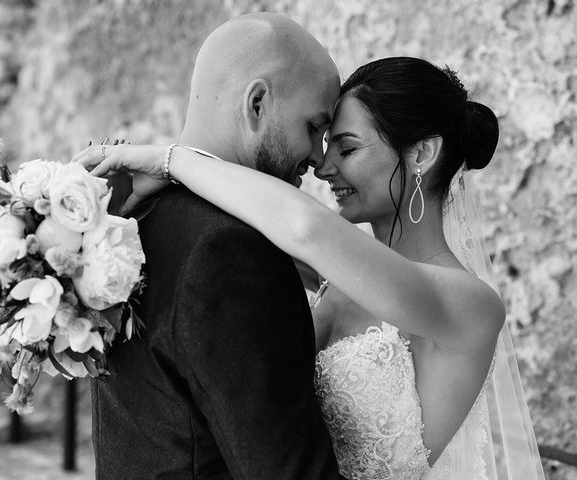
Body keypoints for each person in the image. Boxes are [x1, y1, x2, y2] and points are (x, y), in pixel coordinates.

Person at [75, 57, 546, 479]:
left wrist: (169, 158)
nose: (322, 167)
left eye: (347, 148)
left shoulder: (470, 306)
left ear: (421, 154)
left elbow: (301, 225)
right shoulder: (330, 271)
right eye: (324, 145)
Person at [81, 12, 345, 480]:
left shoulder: (136, 219)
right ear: (258, 103)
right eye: (314, 127)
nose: (320, 158)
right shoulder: (231, 251)